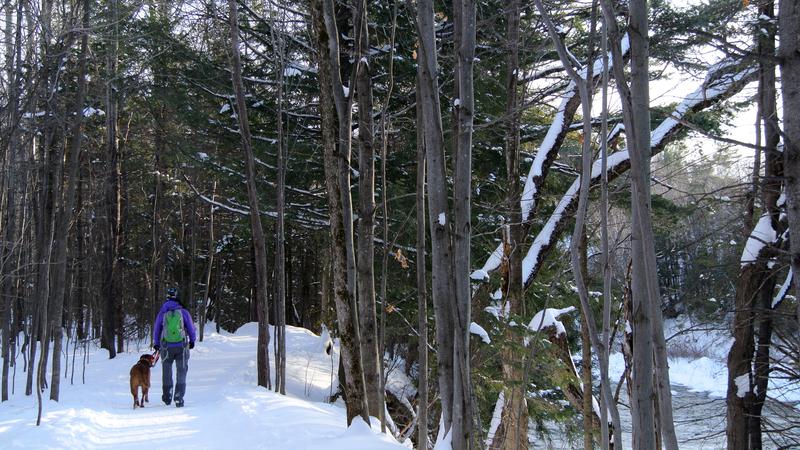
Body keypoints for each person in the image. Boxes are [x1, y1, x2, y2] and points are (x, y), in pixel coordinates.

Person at [153, 287, 196, 407]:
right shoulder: (183, 312)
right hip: (181, 346)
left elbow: (157, 329)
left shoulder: (162, 312)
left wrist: (156, 343)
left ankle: (167, 396)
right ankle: (179, 396)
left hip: (166, 346)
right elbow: (191, 328)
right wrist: (192, 340)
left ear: (167, 297)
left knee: (166, 371)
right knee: (181, 370)